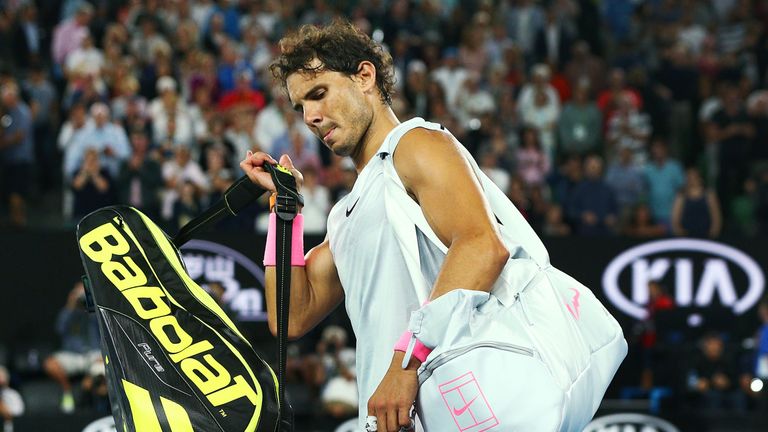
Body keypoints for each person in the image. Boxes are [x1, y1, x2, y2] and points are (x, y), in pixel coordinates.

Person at [240, 21, 622, 432]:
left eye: (319, 94)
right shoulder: (345, 214)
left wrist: (406, 363)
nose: (311, 117)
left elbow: (481, 247)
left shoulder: (414, 144)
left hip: (470, 407)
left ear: (364, 76)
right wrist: (286, 211)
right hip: (407, 417)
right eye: (300, 108)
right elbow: (290, 317)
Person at [43, 281, 103, 414]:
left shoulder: (94, 312)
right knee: (50, 364)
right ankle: (67, 391)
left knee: (103, 367)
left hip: (95, 354)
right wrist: (71, 304)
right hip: (73, 355)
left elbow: (103, 326)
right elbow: (59, 328)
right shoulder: (69, 313)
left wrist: (91, 301)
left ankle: (90, 394)